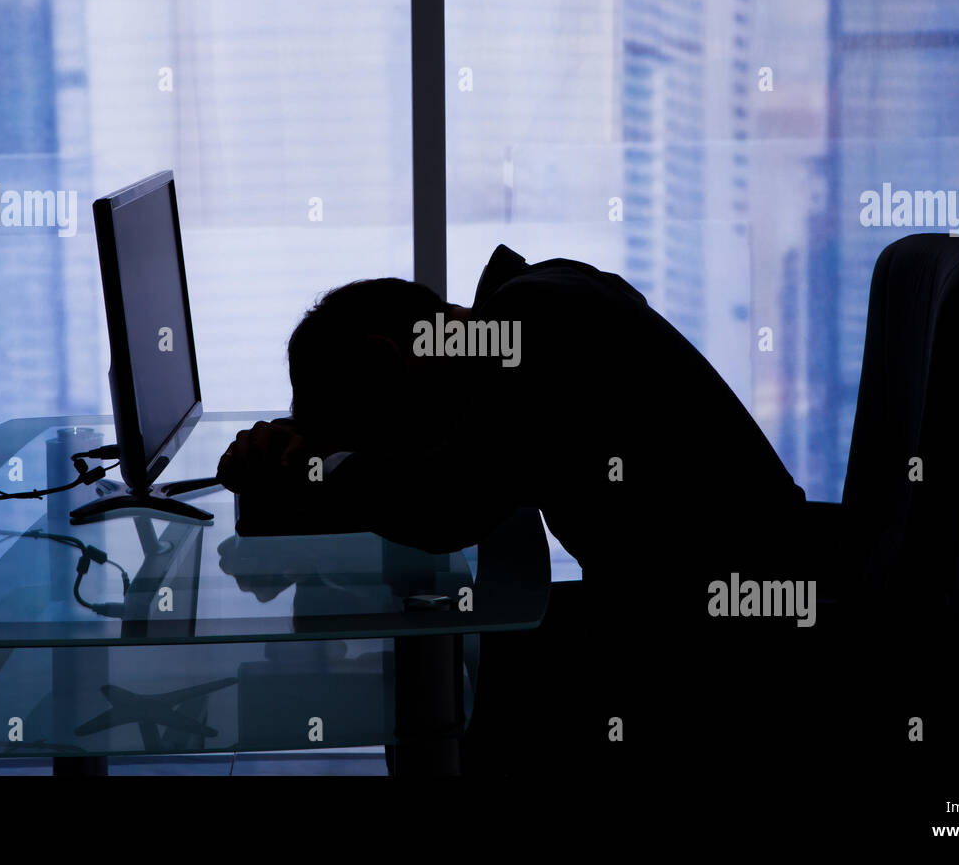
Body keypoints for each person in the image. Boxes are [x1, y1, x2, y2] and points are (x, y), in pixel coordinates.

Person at [216, 244, 823, 775]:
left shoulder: (531, 327)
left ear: (387, 360)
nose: (395, 449)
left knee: (462, 697)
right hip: (722, 587)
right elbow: (447, 464)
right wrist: (310, 452)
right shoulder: (529, 305)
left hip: (734, 631)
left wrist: (305, 479)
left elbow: (446, 507)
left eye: (379, 433)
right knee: (457, 681)